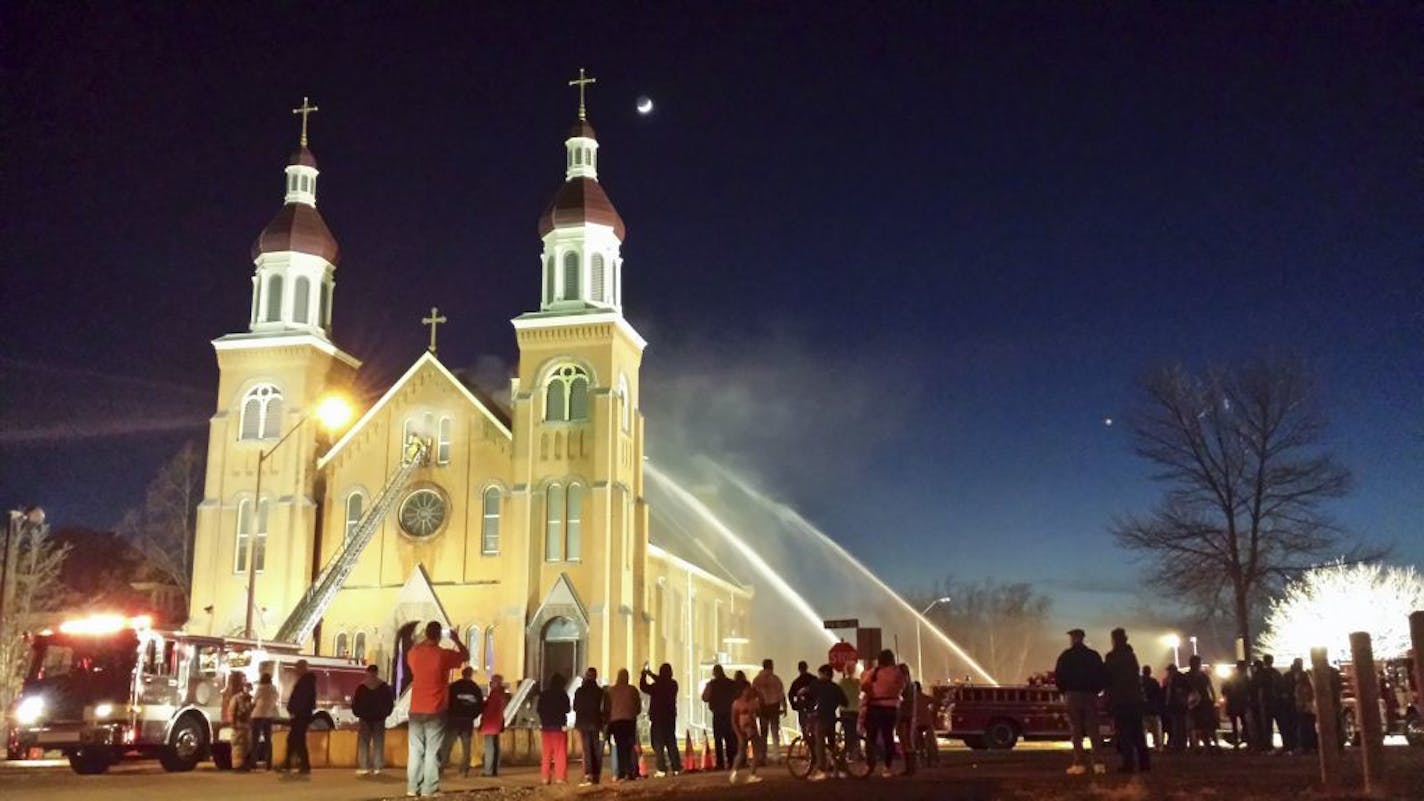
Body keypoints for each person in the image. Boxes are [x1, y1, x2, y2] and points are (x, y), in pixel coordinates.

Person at [404, 622, 469, 797]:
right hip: (436, 709)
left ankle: (412, 787)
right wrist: (456, 639)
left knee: (415, 751)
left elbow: (412, 651)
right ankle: (429, 788)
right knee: (432, 751)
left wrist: (421, 640)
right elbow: (465, 655)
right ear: (439, 635)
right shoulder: (442, 655)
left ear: (426, 634)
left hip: (416, 708)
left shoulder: (414, 654)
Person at [1054, 628, 1106, 775]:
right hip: (1090, 695)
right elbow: (1102, 675)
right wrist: (1096, 690)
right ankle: (1098, 763)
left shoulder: (1066, 656)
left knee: (1076, 731)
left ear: (1073, 638)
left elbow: (1059, 676)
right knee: (1093, 730)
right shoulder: (1093, 656)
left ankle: (1079, 763)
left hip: (1073, 695)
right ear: (1083, 638)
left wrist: (1064, 690)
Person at [1104, 628, 1149, 773]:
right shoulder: (1131, 656)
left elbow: (1108, 678)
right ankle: (1144, 763)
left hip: (1120, 700)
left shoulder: (1112, 657)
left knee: (1124, 733)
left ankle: (1128, 763)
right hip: (1134, 699)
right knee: (1138, 732)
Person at [860, 648, 906, 778]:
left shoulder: (874, 672)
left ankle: (869, 765)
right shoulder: (897, 672)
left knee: (871, 738)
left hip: (874, 706)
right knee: (888, 738)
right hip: (891, 708)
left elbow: (863, 685)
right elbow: (902, 686)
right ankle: (887, 767)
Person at [806, 664, 848, 780]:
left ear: (824, 674)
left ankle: (822, 769)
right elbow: (845, 702)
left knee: (819, 744)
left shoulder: (817, 685)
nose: (819, 676)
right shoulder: (835, 687)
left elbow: (809, 696)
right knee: (832, 744)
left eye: (820, 674)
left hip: (820, 717)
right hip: (831, 718)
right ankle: (837, 769)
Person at [640, 663, 682, 776]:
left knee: (658, 744)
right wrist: (651, 674)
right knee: (671, 743)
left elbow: (643, 687)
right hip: (670, 717)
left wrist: (644, 674)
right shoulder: (673, 684)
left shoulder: (656, 686)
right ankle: (676, 767)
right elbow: (662, 681)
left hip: (657, 718)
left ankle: (661, 768)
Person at [441, 666, 484, 777]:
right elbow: (480, 706)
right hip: (467, 721)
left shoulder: (454, 686)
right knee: (466, 747)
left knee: (447, 745)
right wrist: (472, 716)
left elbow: (446, 701)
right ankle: (464, 770)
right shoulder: (475, 688)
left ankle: (440, 767)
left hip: (454, 720)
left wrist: (448, 714)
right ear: (471, 675)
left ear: (462, 674)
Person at [352, 664, 394, 776]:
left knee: (364, 742)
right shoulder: (384, 686)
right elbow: (390, 703)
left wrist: (358, 713)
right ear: (377, 672)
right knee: (379, 742)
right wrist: (386, 713)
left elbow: (355, 703)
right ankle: (378, 766)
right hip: (379, 718)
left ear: (367, 672)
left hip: (365, 718)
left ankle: (364, 766)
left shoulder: (361, 687)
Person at [573, 667, 609, 786]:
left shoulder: (579, 691)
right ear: (595, 677)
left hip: (583, 723)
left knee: (587, 749)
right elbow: (604, 708)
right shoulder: (600, 692)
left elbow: (575, 707)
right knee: (596, 750)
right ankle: (596, 775)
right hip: (596, 723)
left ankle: (588, 775)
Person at [279, 660, 316, 774]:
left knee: (296, 740)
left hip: (300, 715)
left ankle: (299, 765)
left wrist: (295, 710)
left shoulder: (306, 682)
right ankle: (292, 764)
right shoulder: (307, 681)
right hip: (302, 715)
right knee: (295, 740)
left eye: (297, 668)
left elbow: (302, 699)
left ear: (302, 668)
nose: (296, 670)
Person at [702, 664, 739, 770]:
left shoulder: (711, 684)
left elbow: (705, 697)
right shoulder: (731, 684)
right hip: (729, 714)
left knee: (718, 739)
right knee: (729, 738)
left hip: (717, 714)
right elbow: (737, 695)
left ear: (714, 673)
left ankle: (720, 763)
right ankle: (731, 761)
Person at [537, 673, 571, 784]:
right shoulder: (562, 694)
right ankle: (560, 777)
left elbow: (539, 709)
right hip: (558, 727)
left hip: (546, 727)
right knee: (559, 753)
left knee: (546, 754)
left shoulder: (544, 694)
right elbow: (567, 709)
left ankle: (545, 777)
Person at [607, 668, 640, 782]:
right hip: (629, 721)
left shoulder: (611, 691)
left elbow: (607, 707)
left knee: (620, 747)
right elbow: (638, 706)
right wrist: (633, 713)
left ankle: (621, 772)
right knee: (630, 746)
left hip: (616, 722)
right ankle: (631, 772)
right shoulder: (632, 690)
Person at [751, 659, 786, 765]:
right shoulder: (776, 679)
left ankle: (763, 756)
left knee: (763, 733)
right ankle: (777, 756)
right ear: (771, 666)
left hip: (763, 708)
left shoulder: (757, 680)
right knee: (775, 733)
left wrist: (755, 709)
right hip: (774, 707)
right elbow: (781, 694)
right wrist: (784, 707)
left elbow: (753, 696)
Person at [730, 682, 764, 784]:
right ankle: (734, 773)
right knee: (741, 751)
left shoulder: (754, 702)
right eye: (747, 690)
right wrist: (738, 733)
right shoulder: (737, 703)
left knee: (756, 751)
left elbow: (760, 710)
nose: (748, 692)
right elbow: (734, 720)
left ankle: (751, 774)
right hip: (744, 728)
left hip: (752, 727)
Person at [1184, 655, 1218, 751]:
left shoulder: (1199, 676)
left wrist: (1213, 699)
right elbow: (1210, 688)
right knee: (1197, 725)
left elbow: (1210, 688)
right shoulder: (1191, 676)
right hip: (1195, 703)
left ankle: (1202, 744)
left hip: (1202, 702)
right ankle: (1198, 745)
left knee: (1203, 724)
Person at [245, 671, 278, 770]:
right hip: (269, 715)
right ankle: (269, 763)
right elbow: (276, 699)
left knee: (255, 740)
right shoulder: (274, 689)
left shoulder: (260, 688)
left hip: (258, 715)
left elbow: (254, 700)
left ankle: (253, 762)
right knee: (268, 740)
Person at [479, 675, 509, 777]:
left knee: (489, 747)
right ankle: (495, 769)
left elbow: (489, 710)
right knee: (495, 747)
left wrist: (482, 705)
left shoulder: (495, 694)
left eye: (492, 682)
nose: (490, 684)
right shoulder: (502, 694)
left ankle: (488, 770)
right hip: (497, 723)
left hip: (490, 724)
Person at [1252, 655, 1281, 751]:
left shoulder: (1261, 674)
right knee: (1277, 724)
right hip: (1275, 702)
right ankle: (1270, 744)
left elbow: (1257, 688)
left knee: (1267, 725)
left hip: (1266, 702)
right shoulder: (1275, 673)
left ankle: (1267, 744)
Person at [228, 675, 254, 772]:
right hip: (238, 725)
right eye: (247, 688)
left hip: (246, 726)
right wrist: (233, 723)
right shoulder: (237, 698)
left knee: (247, 746)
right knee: (238, 746)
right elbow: (232, 711)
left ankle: (244, 765)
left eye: (250, 688)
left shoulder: (250, 699)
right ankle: (237, 766)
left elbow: (250, 711)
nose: (248, 690)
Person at [895, 664, 918, 776]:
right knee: (909, 741)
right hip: (910, 715)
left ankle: (910, 768)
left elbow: (899, 696)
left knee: (905, 741)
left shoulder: (903, 685)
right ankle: (911, 767)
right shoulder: (912, 685)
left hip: (903, 715)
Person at [1222, 661, 1250, 749]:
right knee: (1244, 722)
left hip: (1233, 703)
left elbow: (1224, 690)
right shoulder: (1245, 678)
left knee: (1236, 723)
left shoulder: (1231, 677)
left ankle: (1238, 742)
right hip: (1240, 703)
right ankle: (1246, 741)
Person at [837, 664, 863, 760]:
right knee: (856, 732)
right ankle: (854, 752)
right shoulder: (858, 682)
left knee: (848, 732)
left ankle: (849, 753)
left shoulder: (841, 682)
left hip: (845, 710)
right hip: (856, 710)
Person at [1278, 658, 1304, 753]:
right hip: (1293, 705)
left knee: (1293, 725)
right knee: (1294, 725)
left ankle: (1293, 744)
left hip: (1294, 704)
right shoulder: (1300, 675)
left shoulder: (1288, 675)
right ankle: (1294, 744)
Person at [787, 660, 817, 737]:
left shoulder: (797, 682)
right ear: (807, 668)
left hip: (801, 706)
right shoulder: (814, 679)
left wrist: (794, 705)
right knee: (813, 726)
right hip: (813, 706)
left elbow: (790, 694)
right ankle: (813, 741)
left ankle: (806, 739)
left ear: (799, 669)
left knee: (803, 725)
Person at [1164, 664, 1189, 751]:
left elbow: (1173, 692)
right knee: (1178, 725)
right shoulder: (1175, 678)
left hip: (1178, 705)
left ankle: (1180, 745)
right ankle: (1179, 744)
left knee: (1179, 725)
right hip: (1177, 705)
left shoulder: (1177, 678)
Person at [913, 682, 939, 768]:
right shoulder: (924, 697)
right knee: (930, 742)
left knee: (918, 744)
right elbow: (936, 701)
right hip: (927, 722)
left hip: (916, 723)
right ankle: (933, 760)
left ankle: (921, 761)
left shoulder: (911, 699)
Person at [1141, 665, 1165, 751]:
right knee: (1156, 729)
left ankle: (1144, 746)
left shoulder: (1140, 682)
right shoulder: (1153, 682)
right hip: (1154, 709)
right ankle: (1158, 746)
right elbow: (1159, 695)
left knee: (1143, 729)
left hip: (1143, 709)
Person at [1295, 667, 1318, 754]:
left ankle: (1306, 746)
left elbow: (1304, 698)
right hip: (1309, 709)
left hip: (1305, 709)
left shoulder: (1302, 687)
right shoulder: (1309, 685)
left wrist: (1303, 706)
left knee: (1305, 728)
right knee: (1309, 728)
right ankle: (1310, 746)